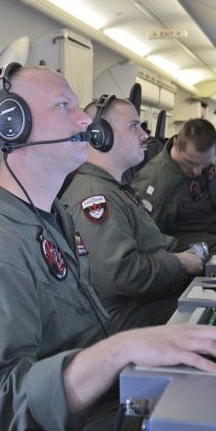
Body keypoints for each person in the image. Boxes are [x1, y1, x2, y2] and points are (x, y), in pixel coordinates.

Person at [0, 65, 216, 431]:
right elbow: (6, 407)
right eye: (63, 105)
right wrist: (122, 349)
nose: (84, 118)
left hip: (98, 409)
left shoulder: (51, 220)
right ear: (13, 125)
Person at [61, 95, 204, 333]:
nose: (145, 135)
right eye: (133, 126)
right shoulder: (95, 197)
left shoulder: (112, 188)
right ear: (100, 136)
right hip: (127, 320)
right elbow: (120, 275)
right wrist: (180, 263)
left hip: (145, 305)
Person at [131, 118, 216, 253]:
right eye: (191, 163)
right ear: (176, 144)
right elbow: (145, 240)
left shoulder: (197, 155)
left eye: (204, 164)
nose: (197, 171)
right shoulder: (158, 185)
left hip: (211, 227)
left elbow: (205, 179)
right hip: (179, 241)